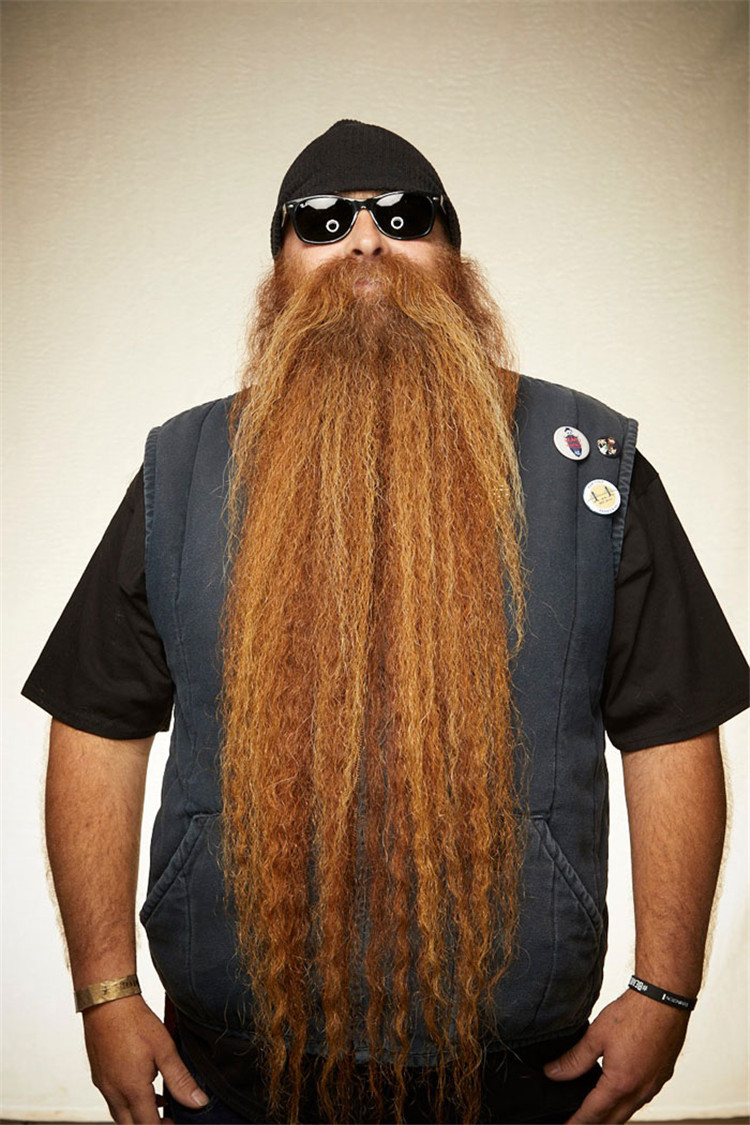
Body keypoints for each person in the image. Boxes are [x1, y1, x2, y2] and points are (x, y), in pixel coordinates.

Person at [23, 120, 748, 1125]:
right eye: (321, 222)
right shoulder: (181, 472)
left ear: (455, 261)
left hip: (519, 1075)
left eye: (405, 217)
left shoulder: (591, 467)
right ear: (278, 271)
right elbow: (97, 722)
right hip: (225, 1071)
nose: (364, 238)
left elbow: (671, 725)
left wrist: (666, 991)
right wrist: (104, 991)